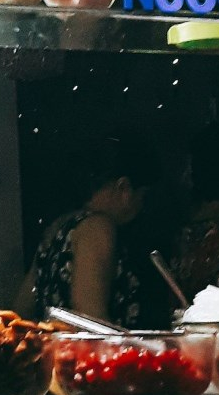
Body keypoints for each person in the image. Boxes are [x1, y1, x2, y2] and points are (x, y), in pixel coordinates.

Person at [18, 136, 158, 327]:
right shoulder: (98, 228)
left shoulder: (61, 226)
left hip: (55, 344)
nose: (141, 207)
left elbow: (22, 307)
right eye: (142, 196)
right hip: (84, 347)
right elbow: (91, 318)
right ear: (124, 188)